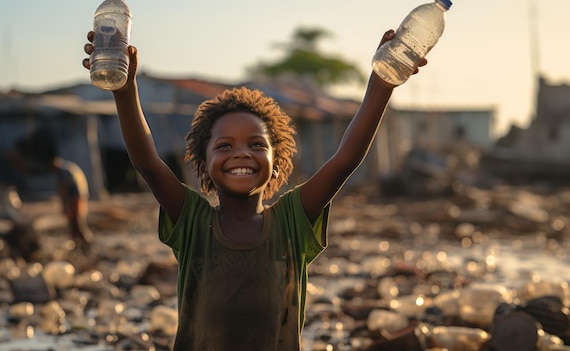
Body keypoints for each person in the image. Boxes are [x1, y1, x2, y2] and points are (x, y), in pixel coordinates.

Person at [83, 29, 426, 350]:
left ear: (277, 161)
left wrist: (381, 85)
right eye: (225, 146)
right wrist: (125, 92)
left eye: (256, 145)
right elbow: (148, 163)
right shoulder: (192, 220)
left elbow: (344, 160)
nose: (241, 153)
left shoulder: (293, 220)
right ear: (202, 162)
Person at [52, 156, 94, 252]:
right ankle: (79, 245)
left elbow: (64, 189)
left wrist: (65, 205)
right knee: (74, 223)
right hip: (79, 197)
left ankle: (87, 243)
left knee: (78, 223)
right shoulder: (69, 167)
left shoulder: (62, 171)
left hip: (75, 198)